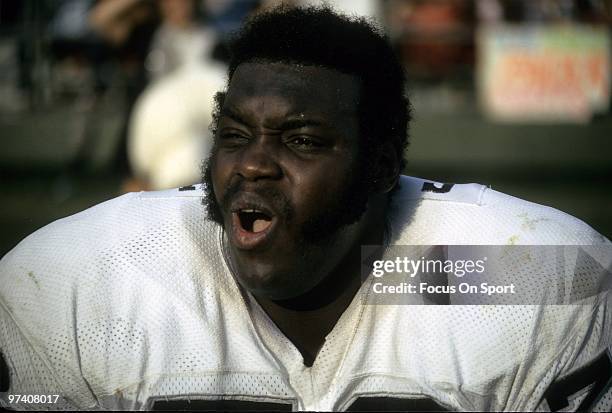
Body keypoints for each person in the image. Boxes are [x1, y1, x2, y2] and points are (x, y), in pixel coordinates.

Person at [0, 5, 610, 411]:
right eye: (234, 135)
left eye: (302, 141)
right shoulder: (96, 275)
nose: (254, 165)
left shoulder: (476, 268)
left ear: (382, 166)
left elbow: (565, 284)